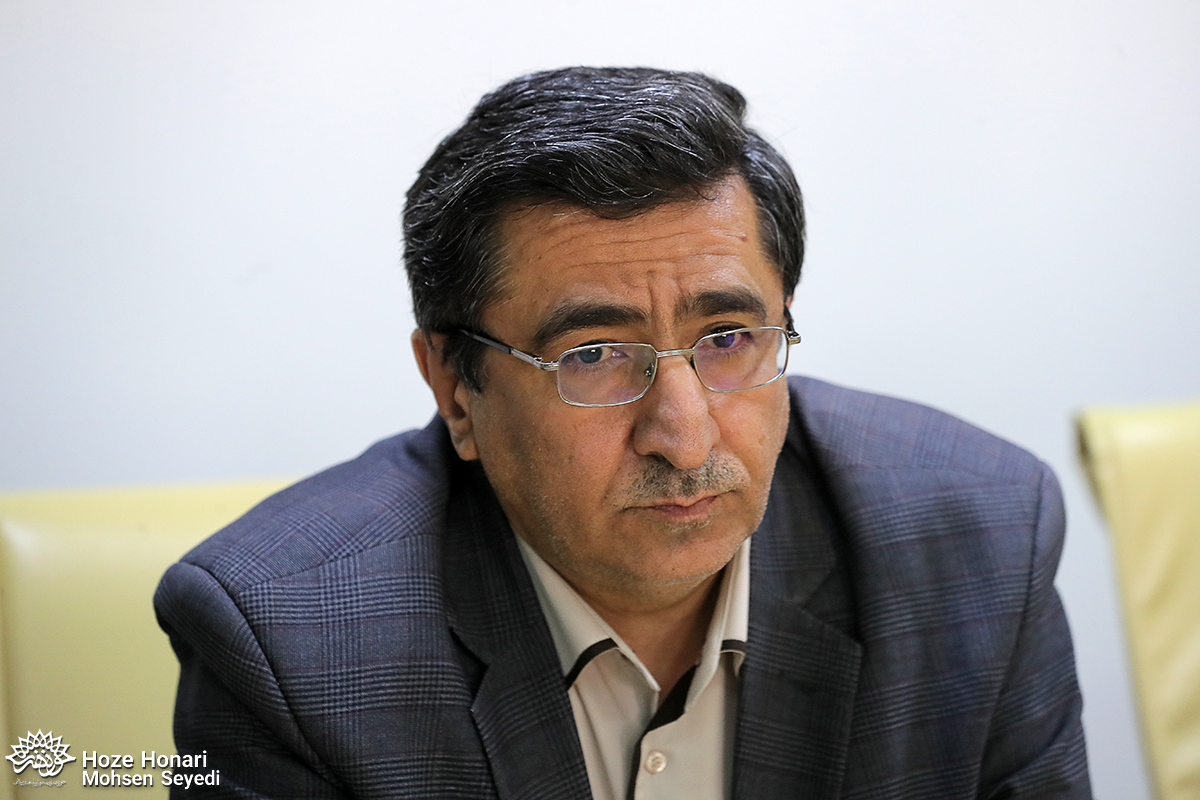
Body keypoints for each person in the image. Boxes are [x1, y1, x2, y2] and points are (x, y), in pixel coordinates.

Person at [154, 67, 1092, 799]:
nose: (684, 438)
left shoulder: (980, 542)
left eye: (728, 339)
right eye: (596, 355)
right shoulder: (289, 645)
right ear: (455, 389)